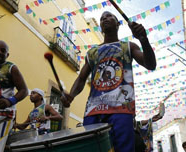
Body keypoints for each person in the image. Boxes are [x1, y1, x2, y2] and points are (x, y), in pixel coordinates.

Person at [61, 11, 156, 152]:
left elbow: (150, 65)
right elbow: (81, 79)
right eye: (102, 18)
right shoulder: (92, 53)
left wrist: (143, 40)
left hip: (122, 108)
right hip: (94, 110)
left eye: (109, 16)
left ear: (118, 24)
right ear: (100, 27)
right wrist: (71, 95)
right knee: (93, 149)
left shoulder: (129, 46)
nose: (105, 19)